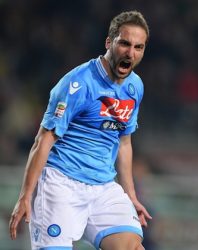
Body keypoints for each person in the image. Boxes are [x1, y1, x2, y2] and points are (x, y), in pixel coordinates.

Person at [9, 10, 152, 250]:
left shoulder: (135, 87)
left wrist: (131, 195)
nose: (131, 52)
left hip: (104, 187)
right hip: (61, 183)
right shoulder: (78, 84)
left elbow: (124, 143)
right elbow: (43, 140)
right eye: (124, 43)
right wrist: (25, 195)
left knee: (131, 247)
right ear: (109, 42)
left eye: (138, 47)